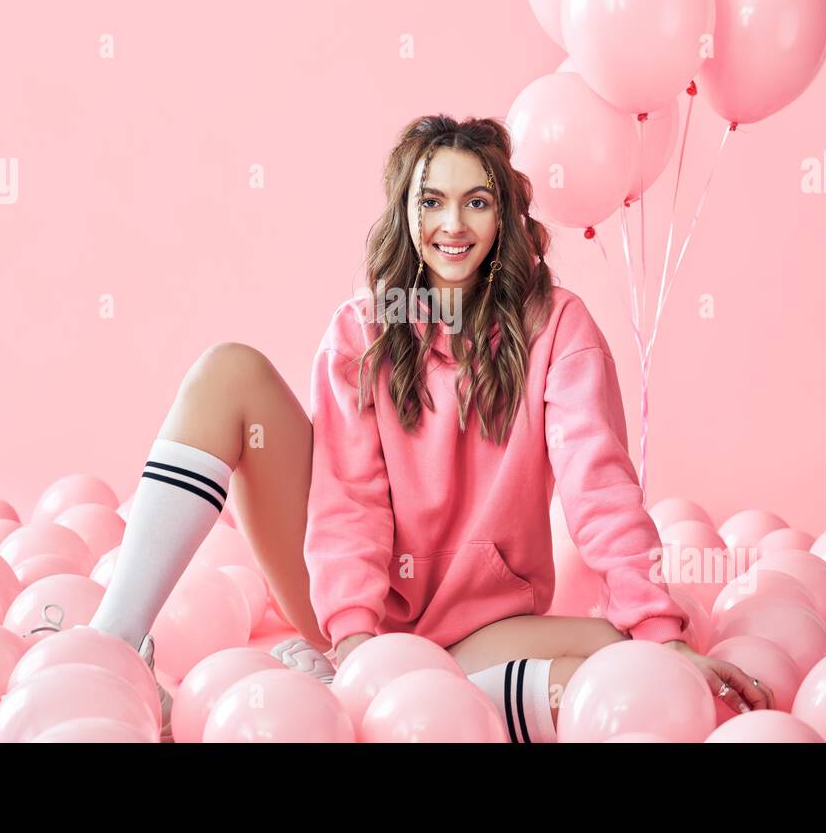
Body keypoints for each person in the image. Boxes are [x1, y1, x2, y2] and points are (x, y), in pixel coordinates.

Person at [89, 115, 773, 742]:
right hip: (352, 607)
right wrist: (357, 637)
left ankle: (393, 699)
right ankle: (114, 648)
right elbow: (348, 501)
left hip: (482, 627)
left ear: (503, 215)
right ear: (407, 214)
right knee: (227, 371)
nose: (454, 223)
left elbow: (599, 488)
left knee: (629, 664)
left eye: (476, 200)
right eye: (432, 201)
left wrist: (660, 632)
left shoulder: (560, 328)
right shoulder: (361, 329)